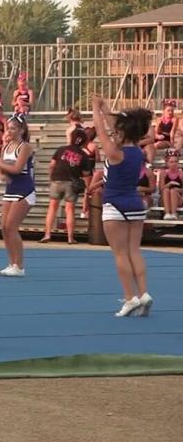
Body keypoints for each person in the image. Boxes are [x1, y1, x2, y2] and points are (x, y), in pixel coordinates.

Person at [92, 96, 153, 316]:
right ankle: (144, 293)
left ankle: (130, 298)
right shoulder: (137, 151)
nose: (113, 133)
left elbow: (100, 128)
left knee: (120, 254)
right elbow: (116, 125)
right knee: (134, 251)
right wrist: (106, 108)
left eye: (116, 132)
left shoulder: (115, 153)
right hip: (135, 204)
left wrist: (95, 108)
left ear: (122, 134)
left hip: (115, 205)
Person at [0, 114, 35, 277]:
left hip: (24, 189)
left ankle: (19, 265)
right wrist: (1, 170)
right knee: (4, 228)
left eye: (12, 128)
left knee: (11, 227)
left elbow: (17, 169)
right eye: (7, 128)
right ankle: (11, 263)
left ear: (21, 130)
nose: (9, 131)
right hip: (10, 190)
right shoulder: (7, 146)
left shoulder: (25, 147)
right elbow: (3, 172)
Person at [40, 131, 93, 244]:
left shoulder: (61, 149)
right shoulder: (83, 155)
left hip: (57, 180)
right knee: (69, 210)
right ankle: (70, 238)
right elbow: (86, 173)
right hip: (71, 182)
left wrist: (51, 179)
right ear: (84, 142)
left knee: (52, 208)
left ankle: (47, 234)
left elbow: (52, 165)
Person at [159, 150, 182, 220]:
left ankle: (174, 213)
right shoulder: (163, 173)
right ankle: (167, 213)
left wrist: (177, 190)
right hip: (165, 199)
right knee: (166, 190)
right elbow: (161, 189)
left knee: (173, 191)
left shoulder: (181, 173)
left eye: (176, 161)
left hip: (178, 199)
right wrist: (169, 184)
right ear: (167, 163)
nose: (174, 164)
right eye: (171, 162)